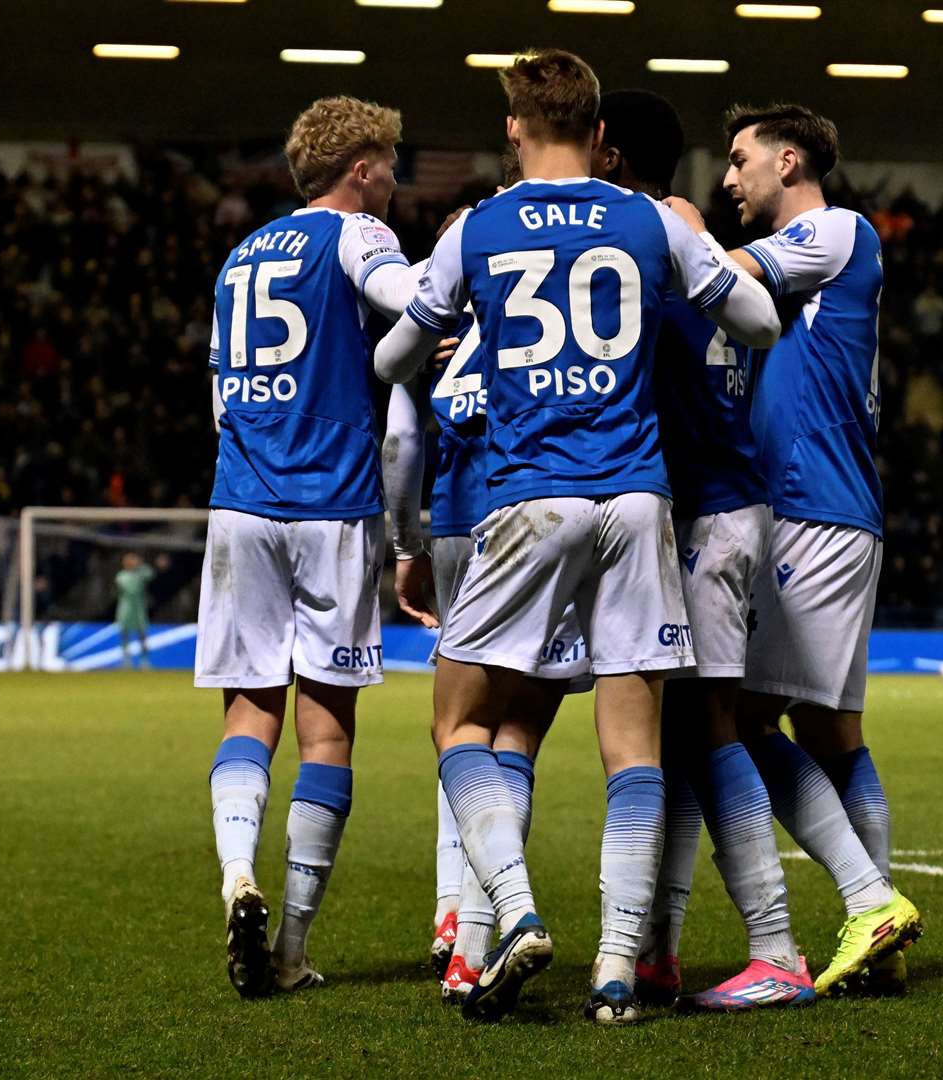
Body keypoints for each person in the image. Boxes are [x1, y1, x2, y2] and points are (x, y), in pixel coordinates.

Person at [375, 49, 780, 1024]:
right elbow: (760, 319)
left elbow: (392, 356)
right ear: (599, 134)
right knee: (632, 749)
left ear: (514, 128)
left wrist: (449, 327)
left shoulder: (479, 225)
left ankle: (512, 910)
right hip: (638, 502)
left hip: (526, 501)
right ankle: (613, 970)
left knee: (460, 722)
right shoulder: (648, 220)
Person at [664, 102, 923, 995]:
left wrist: (669, 222)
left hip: (813, 509)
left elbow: (715, 274)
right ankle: (879, 928)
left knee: (735, 722)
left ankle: (863, 904)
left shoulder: (834, 232)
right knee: (830, 729)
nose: (728, 179)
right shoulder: (818, 261)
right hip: (833, 508)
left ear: (787, 161)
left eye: (738, 162)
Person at [196, 94, 427, 1001]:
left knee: (248, 712)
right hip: (330, 502)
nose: (395, 180)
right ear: (359, 169)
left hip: (240, 501)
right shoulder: (358, 236)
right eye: (388, 165)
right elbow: (410, 302)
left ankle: (233, 875)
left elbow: (219, 398)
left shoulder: (238, 257)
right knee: (325, 728)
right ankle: (289, 944)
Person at [590, 88, 813, 1012]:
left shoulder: (650, 244)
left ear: (606, 148)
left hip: (710, 510)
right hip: (725, 500)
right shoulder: (701, 250)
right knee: (683, 731)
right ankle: (659, 949)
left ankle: (777, 945)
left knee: (710, 728)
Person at [381, 151, 595, 1004]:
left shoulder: (436, 341)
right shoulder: (546, 315)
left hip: (456, 527)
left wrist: (408, 544)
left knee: (458, 724)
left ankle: (454, 916)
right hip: (540, 517)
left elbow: (400, 447)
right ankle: (477, 932)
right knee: (512, 735)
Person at [114, 552, 160, 668]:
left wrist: (141, 565)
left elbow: (151, 574)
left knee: (142, 634)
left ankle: (144, 660)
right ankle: (126, 659)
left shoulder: (141, 573)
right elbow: (131, 589)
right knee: (124, 634)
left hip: (139, 608)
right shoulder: (121, 576)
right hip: (126, 608)